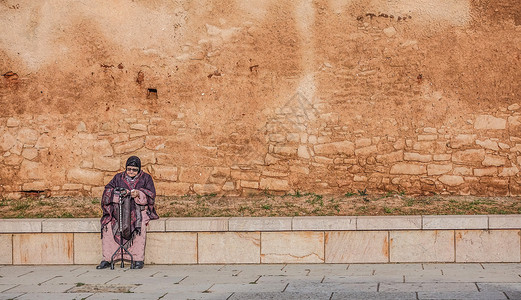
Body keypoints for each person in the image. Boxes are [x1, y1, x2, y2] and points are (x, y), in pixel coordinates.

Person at [96, 156, 159, 269]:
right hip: (118, 210)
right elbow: (107, 191)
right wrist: (118, 193)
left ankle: (137, 259)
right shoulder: (118, 177)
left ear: (139, 170)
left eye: (134, 170)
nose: (131, 172)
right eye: (129, 169)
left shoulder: (146, 178)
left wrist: (139, 194)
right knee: (108, 226)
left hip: (138, 211)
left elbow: (151, 194)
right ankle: (108, 258)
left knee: (139, 227)